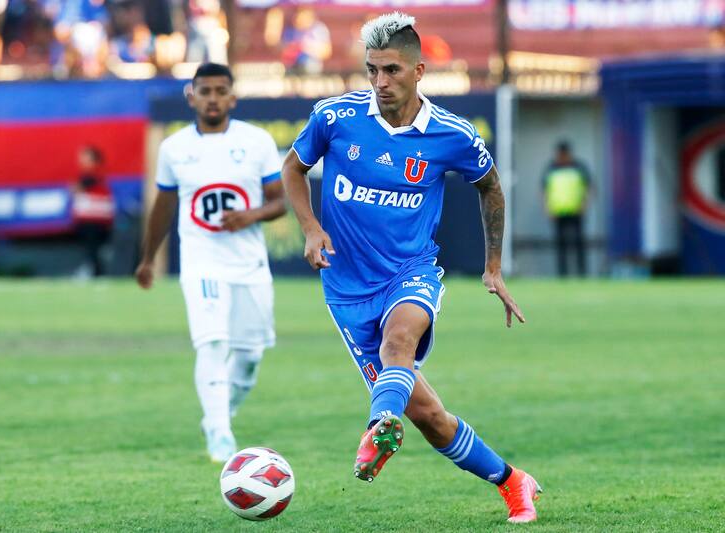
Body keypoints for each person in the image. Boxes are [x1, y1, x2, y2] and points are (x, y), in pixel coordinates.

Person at [281, 13, 541, 523]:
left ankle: (378, 426)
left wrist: (493, 267)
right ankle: (513, 481)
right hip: (347, 289)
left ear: (419, 70)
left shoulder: (452, 134)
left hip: (411, 272)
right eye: (373, 69)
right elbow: (292, 168)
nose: (380, 82)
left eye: (392, 70)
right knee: (429, 417)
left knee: (398, 342)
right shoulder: (335, 118)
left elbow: (489, 186)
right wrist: (311, 227)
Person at [135, 63, 286, 462]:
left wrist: (249, 216)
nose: (213, 98)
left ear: (233, 97)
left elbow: (279, 202)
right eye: (206, 91)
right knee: (213, 343)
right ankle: (220, 432)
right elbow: (163, 205)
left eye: (221, 91)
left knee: (250, 358)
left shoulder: (256, 142)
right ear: (192, 96)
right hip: (203, 262)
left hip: (249, 266)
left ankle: (221, 413)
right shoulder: (174, 148)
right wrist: (148, 259)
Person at [542, 140, 592, 277]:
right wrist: (547, 208)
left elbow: (588, 187)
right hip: (558, 212)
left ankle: (582, 273)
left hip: (576, 211)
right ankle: (562, 274)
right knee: (561, 245)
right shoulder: (551, 168)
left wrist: (585, 205)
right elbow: (544, 190)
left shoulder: (579, 167)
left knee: (578, 244)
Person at [72, 145, 114, 277]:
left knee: (93, 250)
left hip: (93, 220)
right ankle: (94, 271)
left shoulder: (92, 174)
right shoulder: (95, 175)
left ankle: (95, 273)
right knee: (92, 250)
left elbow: (76, 188)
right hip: (95, 220)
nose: (81, 160)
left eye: (85, 157)